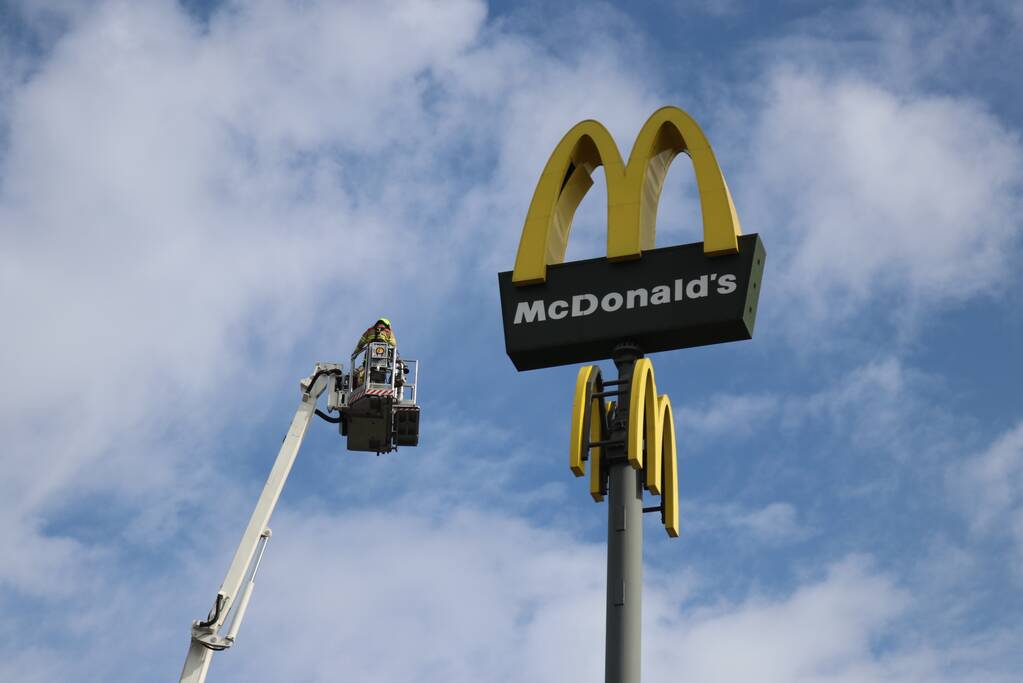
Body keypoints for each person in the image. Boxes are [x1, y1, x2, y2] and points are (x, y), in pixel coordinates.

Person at [352, 318, 397, 387]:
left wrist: (355, 353)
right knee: (382, 370)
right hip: (383, 357)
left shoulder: (369, 331)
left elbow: (360, 344)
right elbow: (393, 344)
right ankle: (379, 385)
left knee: (366, 369)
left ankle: (363, 382)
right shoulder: (388, 331)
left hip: (369, 355)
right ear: (387, 324)